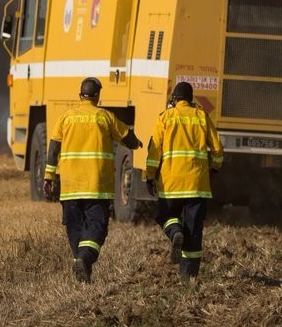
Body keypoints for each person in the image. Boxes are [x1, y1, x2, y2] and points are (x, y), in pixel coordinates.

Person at [42, 76, 142, 283]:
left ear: (80, 95)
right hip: (97, 186)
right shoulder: (105, 117)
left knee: (74, 227)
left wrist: (49, 177)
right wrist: (136, 143)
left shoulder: (65, 118)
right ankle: (84, 260)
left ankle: (80, 264)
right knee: (96, 228)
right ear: (98, 95)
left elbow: (53, 150)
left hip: (70, 187)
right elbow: (127, 137)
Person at [143, 81, 224, 281]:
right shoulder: (202, 117)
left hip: (171, 183)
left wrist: (150, 174)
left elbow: (154, 151)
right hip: (197, 185)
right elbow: (217, 150)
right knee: (194, 230)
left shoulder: (165, 118)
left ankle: (174, 232)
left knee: (165, 216)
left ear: (175, 99)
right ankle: (188, 276)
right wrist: (214, 168)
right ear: (190, 98)